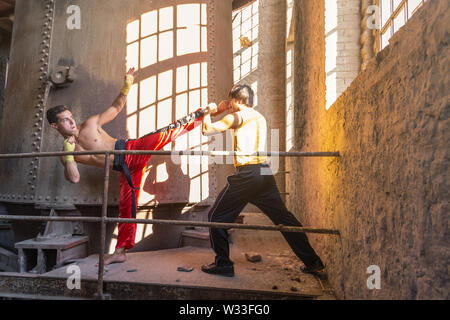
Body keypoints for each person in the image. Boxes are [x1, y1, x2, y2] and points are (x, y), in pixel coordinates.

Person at [47, 68, 205, 265]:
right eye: (65, 120)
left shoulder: (90, 124)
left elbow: (116, 108)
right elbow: (74, 178)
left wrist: (127, 84)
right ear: (55, 126)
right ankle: (120, 252)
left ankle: (205, 113)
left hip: (131, 149)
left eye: (71, 117)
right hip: (125, 169)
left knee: (167, 132)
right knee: (126, 210)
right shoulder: (68, 151)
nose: (71, 122)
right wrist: (68, 153)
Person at [200, 84, 325, 277]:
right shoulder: (259, 117)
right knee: (284, 219)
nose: (229, 104)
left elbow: (207, 130)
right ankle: (313, 261)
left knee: (215, 217)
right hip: (264, 173)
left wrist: (208, 112)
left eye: (230, 101)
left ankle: (223, 264)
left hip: (247, 174)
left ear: (236, 101)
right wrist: (224, 108)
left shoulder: (236, 116)